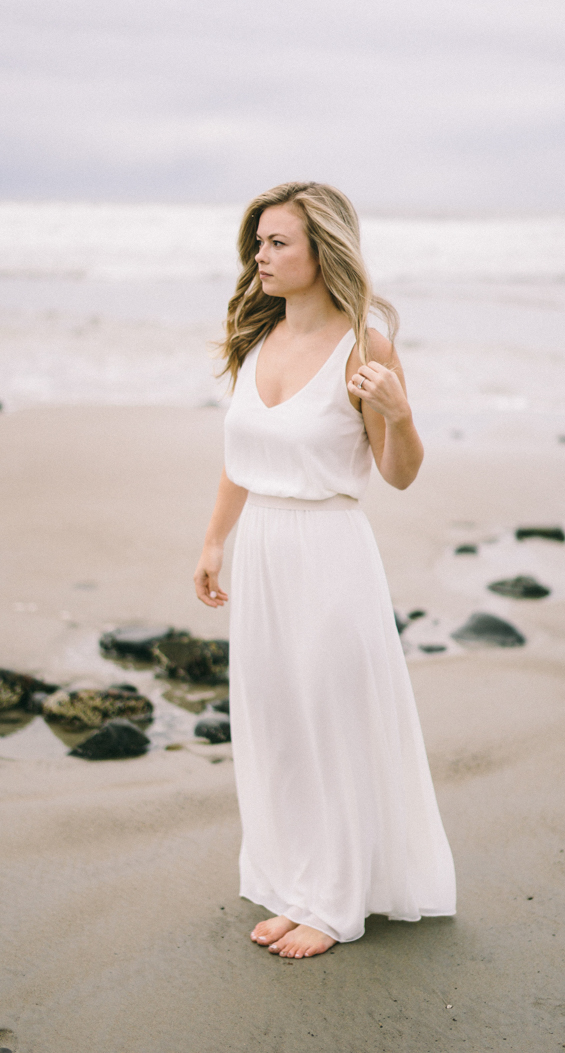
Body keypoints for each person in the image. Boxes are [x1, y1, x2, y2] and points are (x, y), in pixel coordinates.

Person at [194, 181, 455, 959]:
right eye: (259, 242)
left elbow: (398, 472)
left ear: (322, 251)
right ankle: (294, 886)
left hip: (330, 552)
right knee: (275, 725)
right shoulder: (256, 337)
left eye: (278, 243)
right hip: (264, 552)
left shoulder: (364, 344)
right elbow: (243, 457)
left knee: (330, 723)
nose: (260, 257)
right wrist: (213, 542)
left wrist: (401, 414)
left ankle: (337, 904)